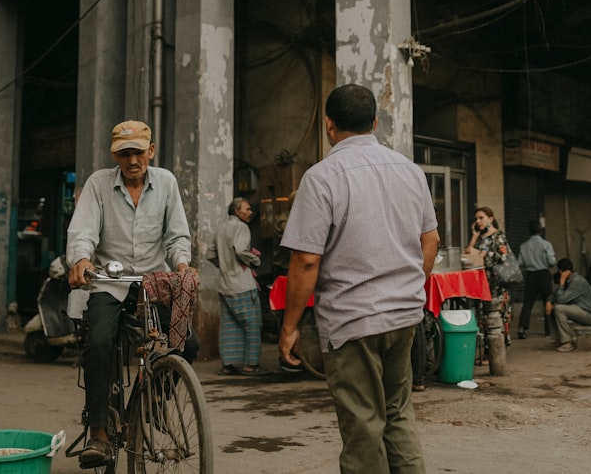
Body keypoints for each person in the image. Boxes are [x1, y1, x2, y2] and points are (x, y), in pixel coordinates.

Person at [277, 84, 439, 474]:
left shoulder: (322, 178)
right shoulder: (410, 171)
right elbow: (430, 241)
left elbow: (306, 261)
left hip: (353, 322)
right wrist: (406, 289)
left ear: (328, 126)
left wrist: (289, 327)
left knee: (363, 428)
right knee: (397, 414)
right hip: (404, 317)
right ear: (375, 123)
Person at [66, 120, 196, 467]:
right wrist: (81, 259)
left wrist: (182, 266)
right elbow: (83, 231)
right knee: (99, 342)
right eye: (125, 154)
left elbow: (176, 236)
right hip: (109, 281)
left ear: (150, 151)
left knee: (188, 342)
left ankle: (153, 401)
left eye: (138, 152)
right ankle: (99, 432)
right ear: (116, 156)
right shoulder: (99, 184)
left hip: (153, 282)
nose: (132, 160)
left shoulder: (166, 182)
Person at [211, 197, 264, 376]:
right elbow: (241, 250)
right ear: (236, 211)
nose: (250, 212)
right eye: (247, 209)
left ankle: (228, 364)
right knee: (252, 324)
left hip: (224, 285)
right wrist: (254, 261)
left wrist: (224, 265)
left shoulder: (221, 228)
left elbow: (210, 253)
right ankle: (251, 364)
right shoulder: (241, 227)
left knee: (229, 325)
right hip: (242, 285)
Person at [464, 206, 512, 341]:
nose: (478, 221)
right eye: (476, 219)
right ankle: (486, 348)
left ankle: (498, 348)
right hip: (482, 284)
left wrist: (481, 255)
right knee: (484, 318)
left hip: (497, 284)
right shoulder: (482, 237)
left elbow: (502, 258)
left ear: (490, 219)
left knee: (498, 318)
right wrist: (474, 236)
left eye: (481, 218)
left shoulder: (498, 236)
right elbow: (468, 252)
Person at [545, 257, 591, 352]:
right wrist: (549, 302)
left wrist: (561, 282)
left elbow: (561, 299)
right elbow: (555, 295)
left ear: (560, 271)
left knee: (559, 308)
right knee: (552, 308)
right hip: (580, 310)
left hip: (589, 315)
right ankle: (559, 339)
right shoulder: (569, 280)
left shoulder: (577, 281)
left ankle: (567, 342)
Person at [517, 220, 556, 339]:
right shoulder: (546, 244)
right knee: (548, 301)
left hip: (531, 275)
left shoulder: (524, 246)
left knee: (528, 303)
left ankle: (522, 327)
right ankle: (549, 330)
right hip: (544, 274)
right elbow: (552, 262)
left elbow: (520, 263)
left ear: (529, 231)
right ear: (541, 231)